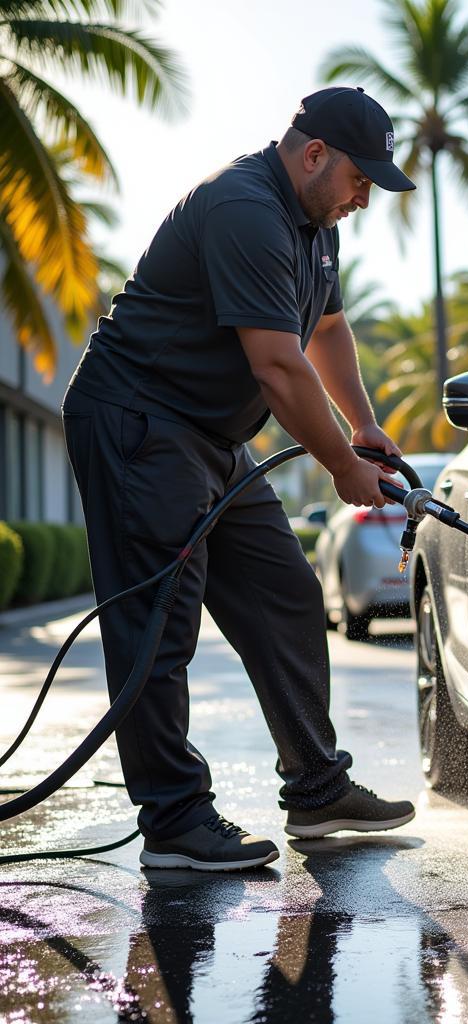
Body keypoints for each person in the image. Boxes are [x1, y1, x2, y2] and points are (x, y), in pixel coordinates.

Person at [62, 87, 417, 871]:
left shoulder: (316, 228)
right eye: (361, 178)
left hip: (215, 435)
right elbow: (279, 367)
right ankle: (175, 824)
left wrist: (361, 425)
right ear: (314, 152)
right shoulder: (244, 207)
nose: (366, 198)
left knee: (286, 591)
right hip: (139, 420)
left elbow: (324, 327)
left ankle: (319, 788)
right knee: (160, 620)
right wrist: (343, 469)